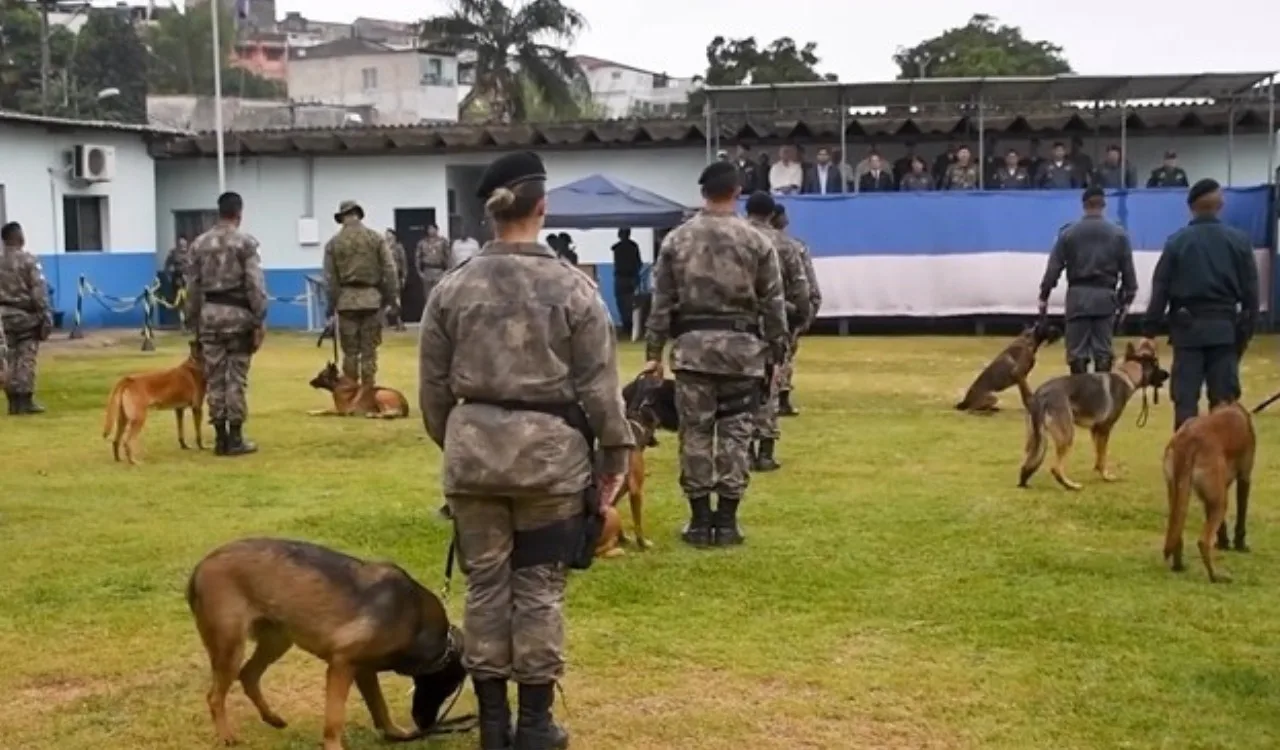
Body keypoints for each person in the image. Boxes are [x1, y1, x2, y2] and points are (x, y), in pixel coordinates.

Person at [418, 150, 633, 750]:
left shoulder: (451, 290)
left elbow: (433, 390)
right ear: (543, 207)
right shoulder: (575, 288)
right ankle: (535, 725)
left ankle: (492, 725)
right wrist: (614, 458)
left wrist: (461, 444)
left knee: (485, 588)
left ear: (492, 214)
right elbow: (600, 388)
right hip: (551, 466)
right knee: (539, 589)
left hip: (472, 463)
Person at [644, 161, 788, 548]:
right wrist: (778, 352)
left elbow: (661, 302)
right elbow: (774, 302)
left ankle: (698, 521)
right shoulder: (758, 242)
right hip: (742, 353)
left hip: (692, 353)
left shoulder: (677, 240)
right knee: (735, 434)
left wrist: (654, 352)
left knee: (695, 432)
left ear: (703, 195)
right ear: (737, 192)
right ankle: (727, 522)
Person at [1144, 179, 1259, 430]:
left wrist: (1150, 331)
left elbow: (1160, 287)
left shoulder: (1178, 242)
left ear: (1191, 207)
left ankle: (1185, 459)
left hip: (1187, 331)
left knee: (1185, 401)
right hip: (1225, 329)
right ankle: (1223, 461)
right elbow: (1251, 291)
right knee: (1224, 402)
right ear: (1220, 205)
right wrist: (1246, 330)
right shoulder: (1238, 241)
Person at [185, 193, 268, 454]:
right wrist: (259, 317)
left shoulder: (199, 244)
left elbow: (192, 288)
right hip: (238, 318)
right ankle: (235, 437)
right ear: (239, 213)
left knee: (214, 378)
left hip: (209, 318)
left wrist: (193, 322)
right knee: (236, 378)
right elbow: (254, 284)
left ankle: (219, 436)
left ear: (217, 212)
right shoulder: (245, 244)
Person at [1037, 187, 1139, 374]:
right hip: (1106, 298)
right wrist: (1127, 300)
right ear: (1103, 204)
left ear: (1083, 205)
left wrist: (1044, 295)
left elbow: (1054, 269)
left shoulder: (1068, 233)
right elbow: (1129, 274)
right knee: (1103, 351)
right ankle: (1101, 397)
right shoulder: (1119, 234)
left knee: (1077, 352)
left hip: (1078, 296)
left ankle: (1080, 397)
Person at [744, 192, 809, 472]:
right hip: (774, 325)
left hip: (739, 327)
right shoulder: (786, 244)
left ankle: (745, 450)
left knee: (740, 390)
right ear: (773, 214)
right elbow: (802, 290)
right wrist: (798, 323)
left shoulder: (734, 238)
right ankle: (766, 452)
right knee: (770, 386)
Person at [323, 200, 398, 398]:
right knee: (369, 351)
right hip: (372, 300)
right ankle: (367, 393)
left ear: (342, 218)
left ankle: (349, 393)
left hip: (346, 301)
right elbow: (389, 270)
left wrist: (330, 307)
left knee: (350, 352)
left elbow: (330, 279)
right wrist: (391, 298)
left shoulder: (333, 243)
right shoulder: (376, 239)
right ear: (359, 214)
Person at [771, 204, 822, 416]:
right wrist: (808, 310)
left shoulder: (745, 241)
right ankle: (781, 398)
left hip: (756, 308)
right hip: (786, 308)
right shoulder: (794, 246)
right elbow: (806, 282)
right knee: (785, 354)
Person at [0, 221, 51, 415]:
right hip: (26, 316)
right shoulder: (29, 261)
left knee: (9, 359)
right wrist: (45, 315)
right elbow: (38, 291)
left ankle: (12, 402)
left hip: (3, 318)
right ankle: (25, 401)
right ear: (18, 237)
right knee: (26, 358)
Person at [611, 228, 642, 334]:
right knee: (628, 302)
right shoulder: (633, 247)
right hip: (629, 277)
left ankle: (627, 324)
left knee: (623, 302)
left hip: (622, 277)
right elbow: (639, 263)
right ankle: (628, 324)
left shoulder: (617, 248)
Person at [416, 224, 452, 309]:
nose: (431, 231)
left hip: (439, 270)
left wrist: (448, 271)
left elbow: (448, 256)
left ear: (437, 230)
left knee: (439, 294)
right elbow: (418, 257)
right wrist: (419, 272)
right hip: (427, 270)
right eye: (429, 229)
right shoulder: (422, 242)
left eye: (433, 229)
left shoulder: (443, 241)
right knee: (427, 295)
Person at [385, 229, 408, 331]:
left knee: (397, 300)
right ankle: (386, 322)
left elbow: (403, 263)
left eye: (389, 235)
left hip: (396, 276)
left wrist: (404, 276)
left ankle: (399, 322)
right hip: (385, 277)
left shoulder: (398, 247)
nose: (387, 236)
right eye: (386, 235)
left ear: (394, 236)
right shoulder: (384, 247)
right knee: (386, 300)